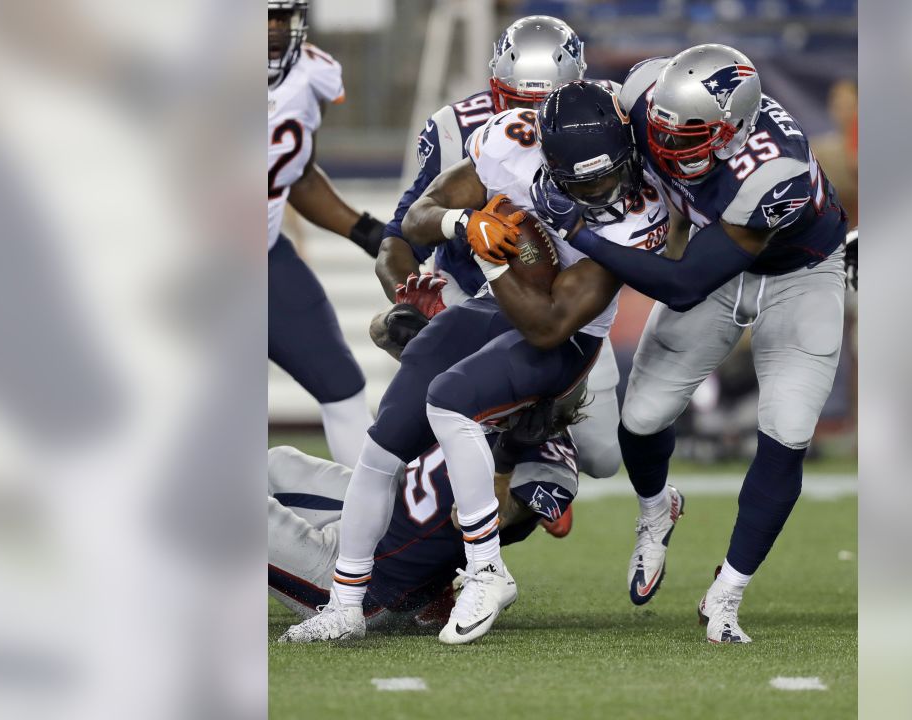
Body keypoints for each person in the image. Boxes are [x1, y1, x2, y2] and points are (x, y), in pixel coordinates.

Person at [279, 80, 668, 646]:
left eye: (609, 174)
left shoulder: (640, 210)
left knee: (451, 399)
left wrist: (492, 261)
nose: (602, 190)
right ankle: (345, 604)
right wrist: (463, 225)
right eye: (583, 181)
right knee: (382, 446)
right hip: (494, 305)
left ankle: (486, 571)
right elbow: (416, 218)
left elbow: (548, 324)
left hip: (566, 333)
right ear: (546, 157)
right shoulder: (512, 142)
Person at [541, 45, 848, 642]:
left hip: (798, 274)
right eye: (657, 125)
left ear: (732, 131)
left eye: (687, 136)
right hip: (716, 249)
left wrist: (578, 230)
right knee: (642, 418)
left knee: (787, 432)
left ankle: (727, 592)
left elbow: (682, 285)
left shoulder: (770, 170)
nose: (664, 144)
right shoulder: (645, 95)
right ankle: (657, 512)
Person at [374, 15, 626, 481]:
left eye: (547, 104)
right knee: (415, 420)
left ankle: (546, 438)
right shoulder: (458, 128)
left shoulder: (605, 120)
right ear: (495, 89)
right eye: (518, 103)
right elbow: (398, 239)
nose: (532, 123)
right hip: (471, 293)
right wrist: (410, 297)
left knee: (604, 459)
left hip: (567, 309)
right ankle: (509, 446)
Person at [271, 396, 581, 635]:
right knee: (276, 462)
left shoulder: (549, 461)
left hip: (370, 583)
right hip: (372, 521)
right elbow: (388, 335)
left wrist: (505, 460)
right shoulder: (489, 393)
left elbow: (477, 519)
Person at [267, 0, 384, 466]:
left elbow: (297, 174)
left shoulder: (312, 73)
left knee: (342, 388)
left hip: (266, 258)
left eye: (283, 16)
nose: (275, 29)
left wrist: (362, 230)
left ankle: (371, 531)